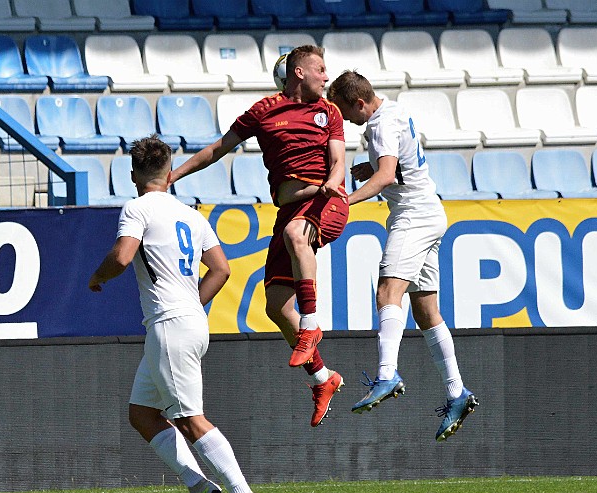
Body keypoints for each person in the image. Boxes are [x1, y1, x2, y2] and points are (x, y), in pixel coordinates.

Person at [88, 136, 266, 493]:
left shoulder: (137, 207)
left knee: (189, 418)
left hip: (169, 325)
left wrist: (97, 277)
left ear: (133, 175)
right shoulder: (191, 214)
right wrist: (191, 304)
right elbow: (221, 269)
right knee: (142, 414)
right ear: (169, 174)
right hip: (188, 322)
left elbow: (122, 256)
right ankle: (198, 486)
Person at [170, 45, 348, 428]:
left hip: (326, 202)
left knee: (298, 235)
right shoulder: (264, 111)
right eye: (320, 69)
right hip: (290, 209)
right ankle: (323, 378)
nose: (326, 76)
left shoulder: (329, 112)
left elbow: (338, 162)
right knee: (276, 307)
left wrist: (331, 186)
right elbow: (219, 148)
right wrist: (175, 174)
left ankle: (311, 324)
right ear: (298, 72)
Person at [327, 71, 479, 441]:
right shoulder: (393, 110)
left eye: (346, 112)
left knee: (386, 293)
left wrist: (343, 200)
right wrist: (375, 171)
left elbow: (384, 177)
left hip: (413, 216)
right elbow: (394, 170)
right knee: (427, 310)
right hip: (429, 209)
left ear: (360, 103)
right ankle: (457, 391)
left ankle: (386, 373)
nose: (345, 119)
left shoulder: (378, 125)